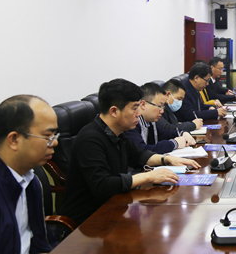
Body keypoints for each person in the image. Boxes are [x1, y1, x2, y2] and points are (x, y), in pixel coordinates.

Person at [60, 79, 200, 225]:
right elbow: (102, 186)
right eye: (134, 108)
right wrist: (148, 176)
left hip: (116, 206)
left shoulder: (118, 133)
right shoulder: (90, 139)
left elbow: (138, 156)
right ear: (114, 111)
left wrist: (167, 159)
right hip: (89, 221)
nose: (139, 113)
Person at [0, 95, 59, 254]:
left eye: (55, 135)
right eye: (47, 136)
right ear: (14, 140)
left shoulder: (29, 179)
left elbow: (40, 242)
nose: (55, 142)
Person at [125, 83, 195, 154]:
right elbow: (143, 151)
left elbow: (163, 134)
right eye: (159, 106)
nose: (162, 111)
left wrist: (182, 133)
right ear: (143, 104)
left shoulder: (150, 121)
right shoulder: (132, 123)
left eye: (163, 107)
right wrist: (174, 143)